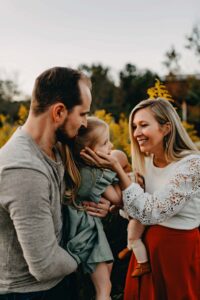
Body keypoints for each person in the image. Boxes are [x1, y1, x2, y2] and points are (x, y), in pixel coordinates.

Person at [0, 67, 110, 300]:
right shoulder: (23, 169)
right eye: (82, 114)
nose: (84, 123)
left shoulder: (57, 149)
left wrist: (102, 205)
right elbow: (45, 265)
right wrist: (88, 251)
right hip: (29, 293)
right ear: (59, 112)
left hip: (58, 282)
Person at [80, 98, 200, 300]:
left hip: (178, 254)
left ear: (166, 128)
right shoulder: (144, 162)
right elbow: (134, 206)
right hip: (144, 253)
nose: (136, 133)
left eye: (144, 125)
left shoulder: (191, 165)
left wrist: (118, 170)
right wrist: (113, 205)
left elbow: (152, 211)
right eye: (134, 126)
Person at [62, 116, 128, 300]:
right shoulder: (94, 175)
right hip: (88, 237)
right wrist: (118, 169)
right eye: (105, 143)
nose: (111, 146)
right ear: (88, 152)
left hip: (82, 232)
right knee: (104, 288)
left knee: (105, 273)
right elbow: (119, 199)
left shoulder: (76, 169)